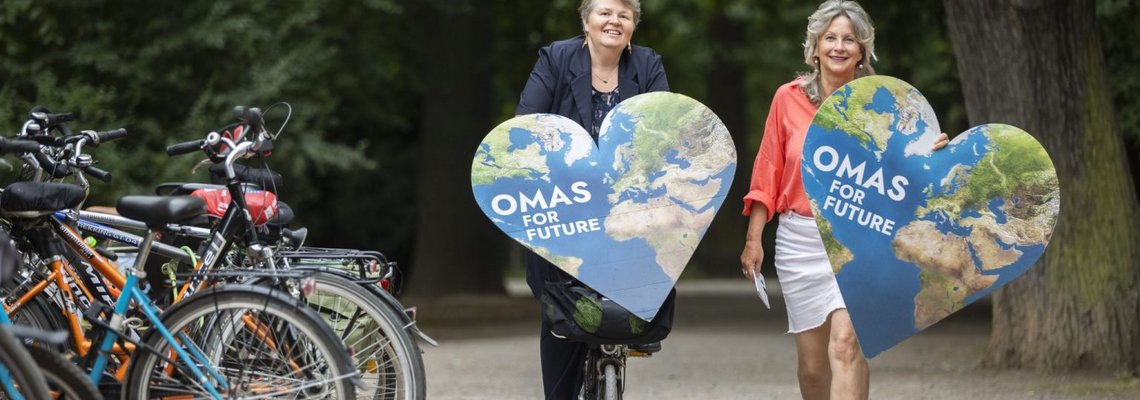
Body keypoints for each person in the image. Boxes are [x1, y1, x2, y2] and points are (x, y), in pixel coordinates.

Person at [739, 1, 948, 399]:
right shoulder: (787, 98)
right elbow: (768, 169)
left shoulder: (884, 105)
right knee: (814, 369)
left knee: (846, 344)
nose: (838, 46)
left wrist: (935, 153)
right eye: (829, 38)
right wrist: (754, 239)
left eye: (848, 39)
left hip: (861, 238)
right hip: (800, 241)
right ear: (814, 48)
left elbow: (907, 172)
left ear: (862, 49)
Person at [515, 0, 668, 398]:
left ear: (633, 25)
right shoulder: (557, 58)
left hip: (625, 203)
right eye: (604, 12)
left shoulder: (648, 65)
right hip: (565, 197)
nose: (613, 21)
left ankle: (631, 330)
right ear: (586, 21)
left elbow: (663, 130)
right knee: (561, 315)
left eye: (624, 14)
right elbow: (528, 123)